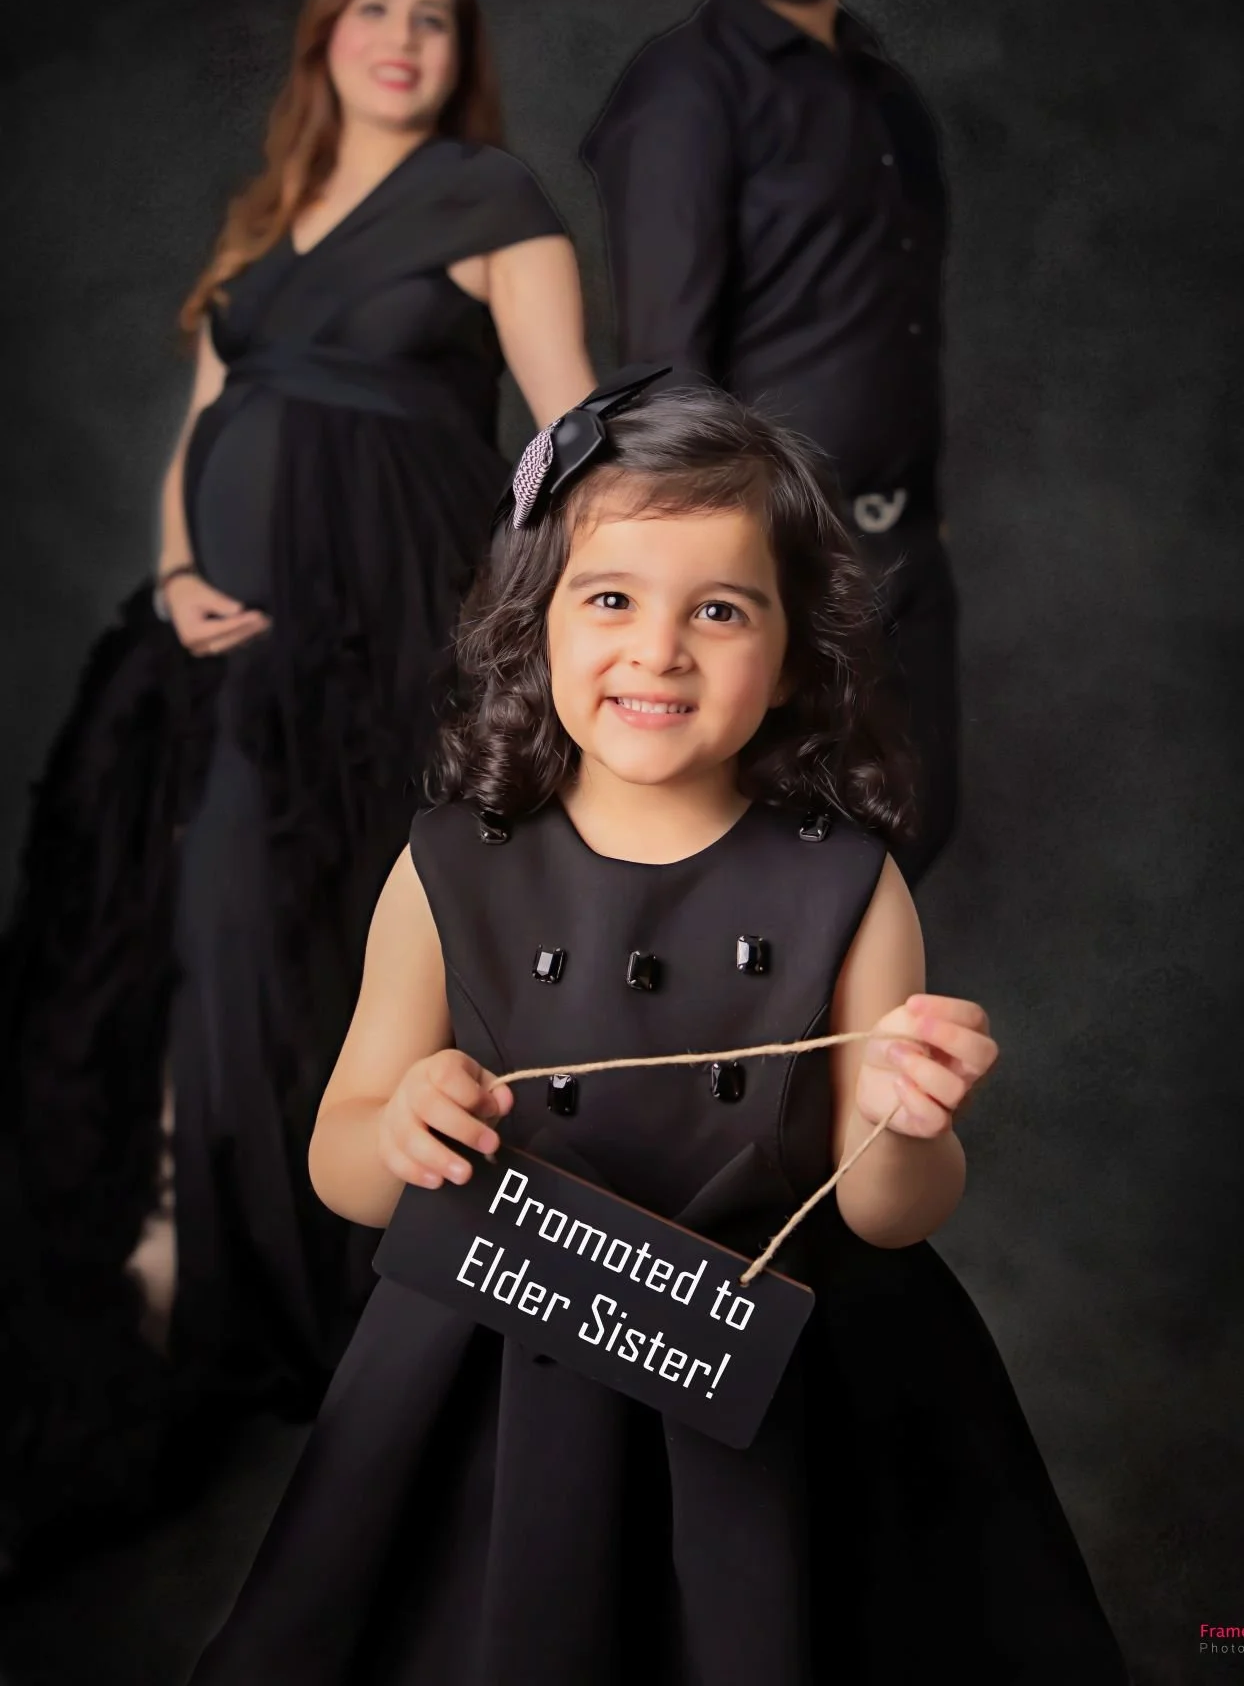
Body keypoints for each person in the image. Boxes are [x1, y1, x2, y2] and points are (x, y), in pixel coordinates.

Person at [189, 377, 1127, 1684]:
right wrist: (402, 1127)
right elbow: (341, 1161)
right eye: (611, 597)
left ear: (795, 649)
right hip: (499, 1384)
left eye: (721, 610)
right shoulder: (448, 869)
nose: (659, 648)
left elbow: (890, 1214)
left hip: (794, 1399)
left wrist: (912, 1125)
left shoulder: (850, 884)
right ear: (537, 622)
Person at [0, 0, 594, 1561]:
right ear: (323, 35)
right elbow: (198, 432)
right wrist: (181, 569)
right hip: (225, 660)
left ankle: (350, 1326)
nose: (398, 37)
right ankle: (175, 1287)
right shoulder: (263, 225)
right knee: (187, 950)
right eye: (369, 10)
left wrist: (591, 624)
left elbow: (572, 432)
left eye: (429, 16)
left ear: (456, 46)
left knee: (340, 956)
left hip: (391, 645)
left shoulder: (494, 204)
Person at [582, 0, 957, 887]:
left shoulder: (881, 88)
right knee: (772, 887)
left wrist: (919, 521)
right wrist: (726, 583)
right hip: (776, 564)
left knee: (900, 847)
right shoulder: (685, 93)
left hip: (898, 552)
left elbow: (888, 326)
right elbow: (666, 377)